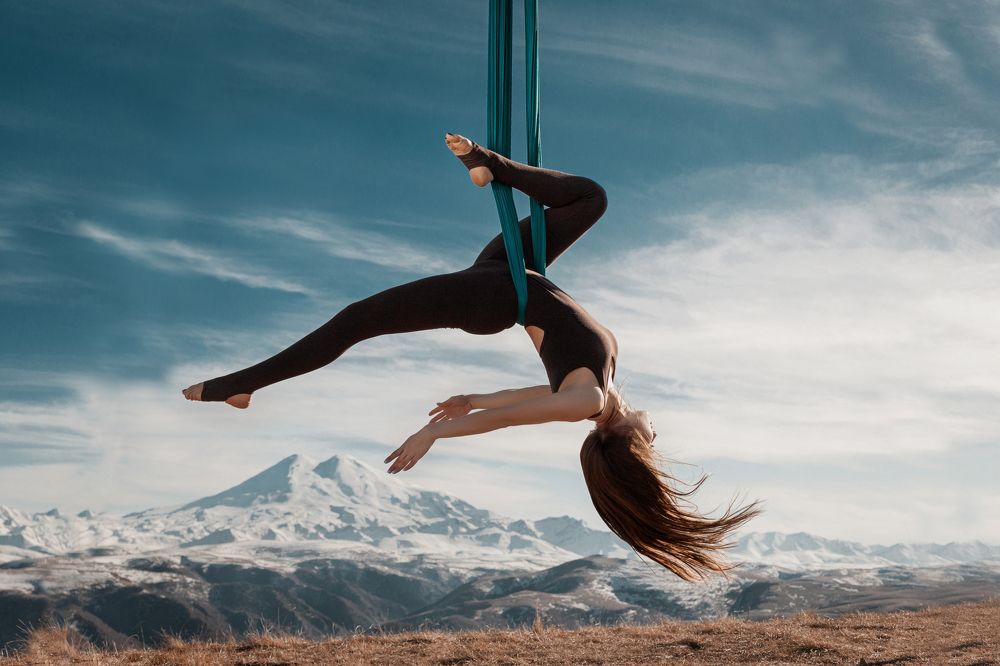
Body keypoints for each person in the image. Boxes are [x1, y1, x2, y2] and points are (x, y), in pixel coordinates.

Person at [182, 133, 760, 580]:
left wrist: (434, 434)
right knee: (589, 201)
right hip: (507, 276)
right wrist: (470, 399)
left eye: (651, 445)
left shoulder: (586, 401)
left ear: (633, 444)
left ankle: (241, 386)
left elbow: (510, 417)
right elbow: (518, 399)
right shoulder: (593, 398)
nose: (657, 435)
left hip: (498, 295)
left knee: (357, 319)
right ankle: (488, 167)